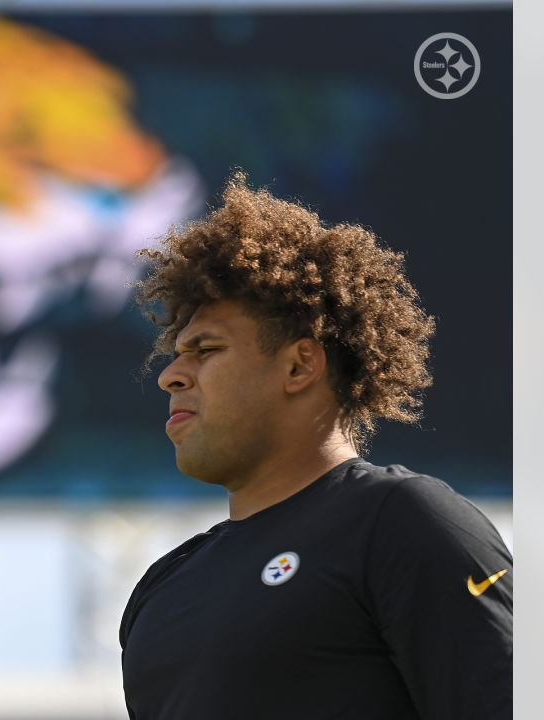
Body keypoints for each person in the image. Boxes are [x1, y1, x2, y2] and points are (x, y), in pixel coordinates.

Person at [119, 170, 512, 719]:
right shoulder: (162, 587)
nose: (171, 376)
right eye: (176, 353)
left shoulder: (406, 522)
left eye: (205, 349)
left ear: (300, 365)